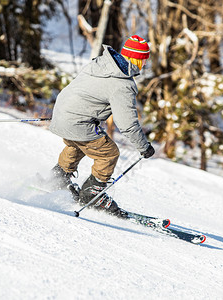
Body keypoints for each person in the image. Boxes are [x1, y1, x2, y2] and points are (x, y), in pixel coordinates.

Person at [49, 35, 155, 217]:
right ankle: (92, 193)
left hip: (61, 114)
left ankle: (58, 177)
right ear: (137, 59)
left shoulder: (100, 64)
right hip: (77, 120)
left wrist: (67, 113)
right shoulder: (122, 83)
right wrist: (143, 147)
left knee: (78, 143)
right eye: (144, 60)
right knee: (108, 153)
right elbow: (127, 123)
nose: (145, 65)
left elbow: (82, 90)